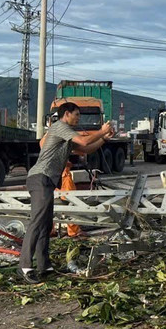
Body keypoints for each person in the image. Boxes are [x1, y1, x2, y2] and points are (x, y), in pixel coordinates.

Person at [20, 102, 114, 285]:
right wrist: (102, 131)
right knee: (37, 222)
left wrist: (104, 139)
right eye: (77, 114)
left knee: (45, 225)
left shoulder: (66, 136)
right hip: (40, 177)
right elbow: (85, 140)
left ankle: (44, 266)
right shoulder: (59, 126)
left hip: (47, 180)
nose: (78, 118)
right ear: (66, 114)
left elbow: (85, 149)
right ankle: (25, 266)